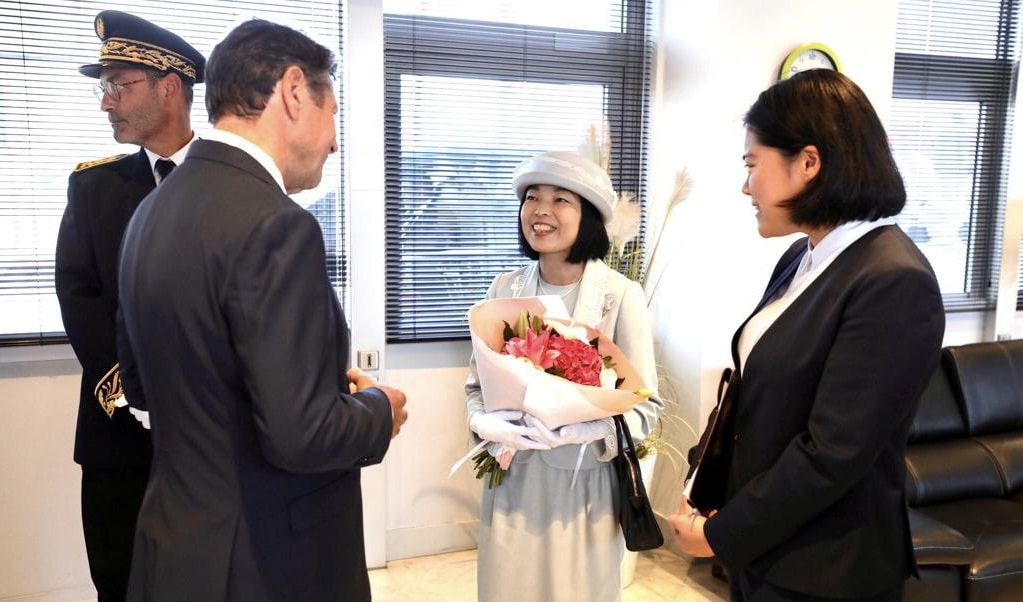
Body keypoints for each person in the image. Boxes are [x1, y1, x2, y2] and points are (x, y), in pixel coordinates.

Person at [115, 19, 408, 602]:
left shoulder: (150, 212)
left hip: (176, 546)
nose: (334, 142)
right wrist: (379, 408)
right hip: (265, 561)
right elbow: (302, 435)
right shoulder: (277, 224)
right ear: (294, 91)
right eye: (333, 113)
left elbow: (142, 390)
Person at [670, 69, 946, 602]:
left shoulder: (893, 280)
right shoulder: (804, 256)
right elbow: (758, 399)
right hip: (769, 549)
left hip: (826, 569)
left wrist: (723, 535)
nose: (746, 185)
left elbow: (833, 452)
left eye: (752, 164)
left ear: (809, 163)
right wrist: (703, 485)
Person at [464, 151, 663, 602]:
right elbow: (476, 386)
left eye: (560, 199)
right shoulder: (503, 289)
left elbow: (647, 406)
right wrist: (484, 423)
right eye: (532, 197)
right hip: (513, 479)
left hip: (583, 487)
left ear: (588, 216)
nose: (541, 210)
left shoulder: (619, 296)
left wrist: (587, 429)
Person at [54, 11, 204, 602]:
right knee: (117, 579)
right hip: (117, 428)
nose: (106, 102)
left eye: (119, 85)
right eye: (104, 87)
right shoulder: (94, 186)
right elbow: (78, 293)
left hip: (211, 432)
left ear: (170, 86)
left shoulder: (230, 183)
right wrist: (128, 392)